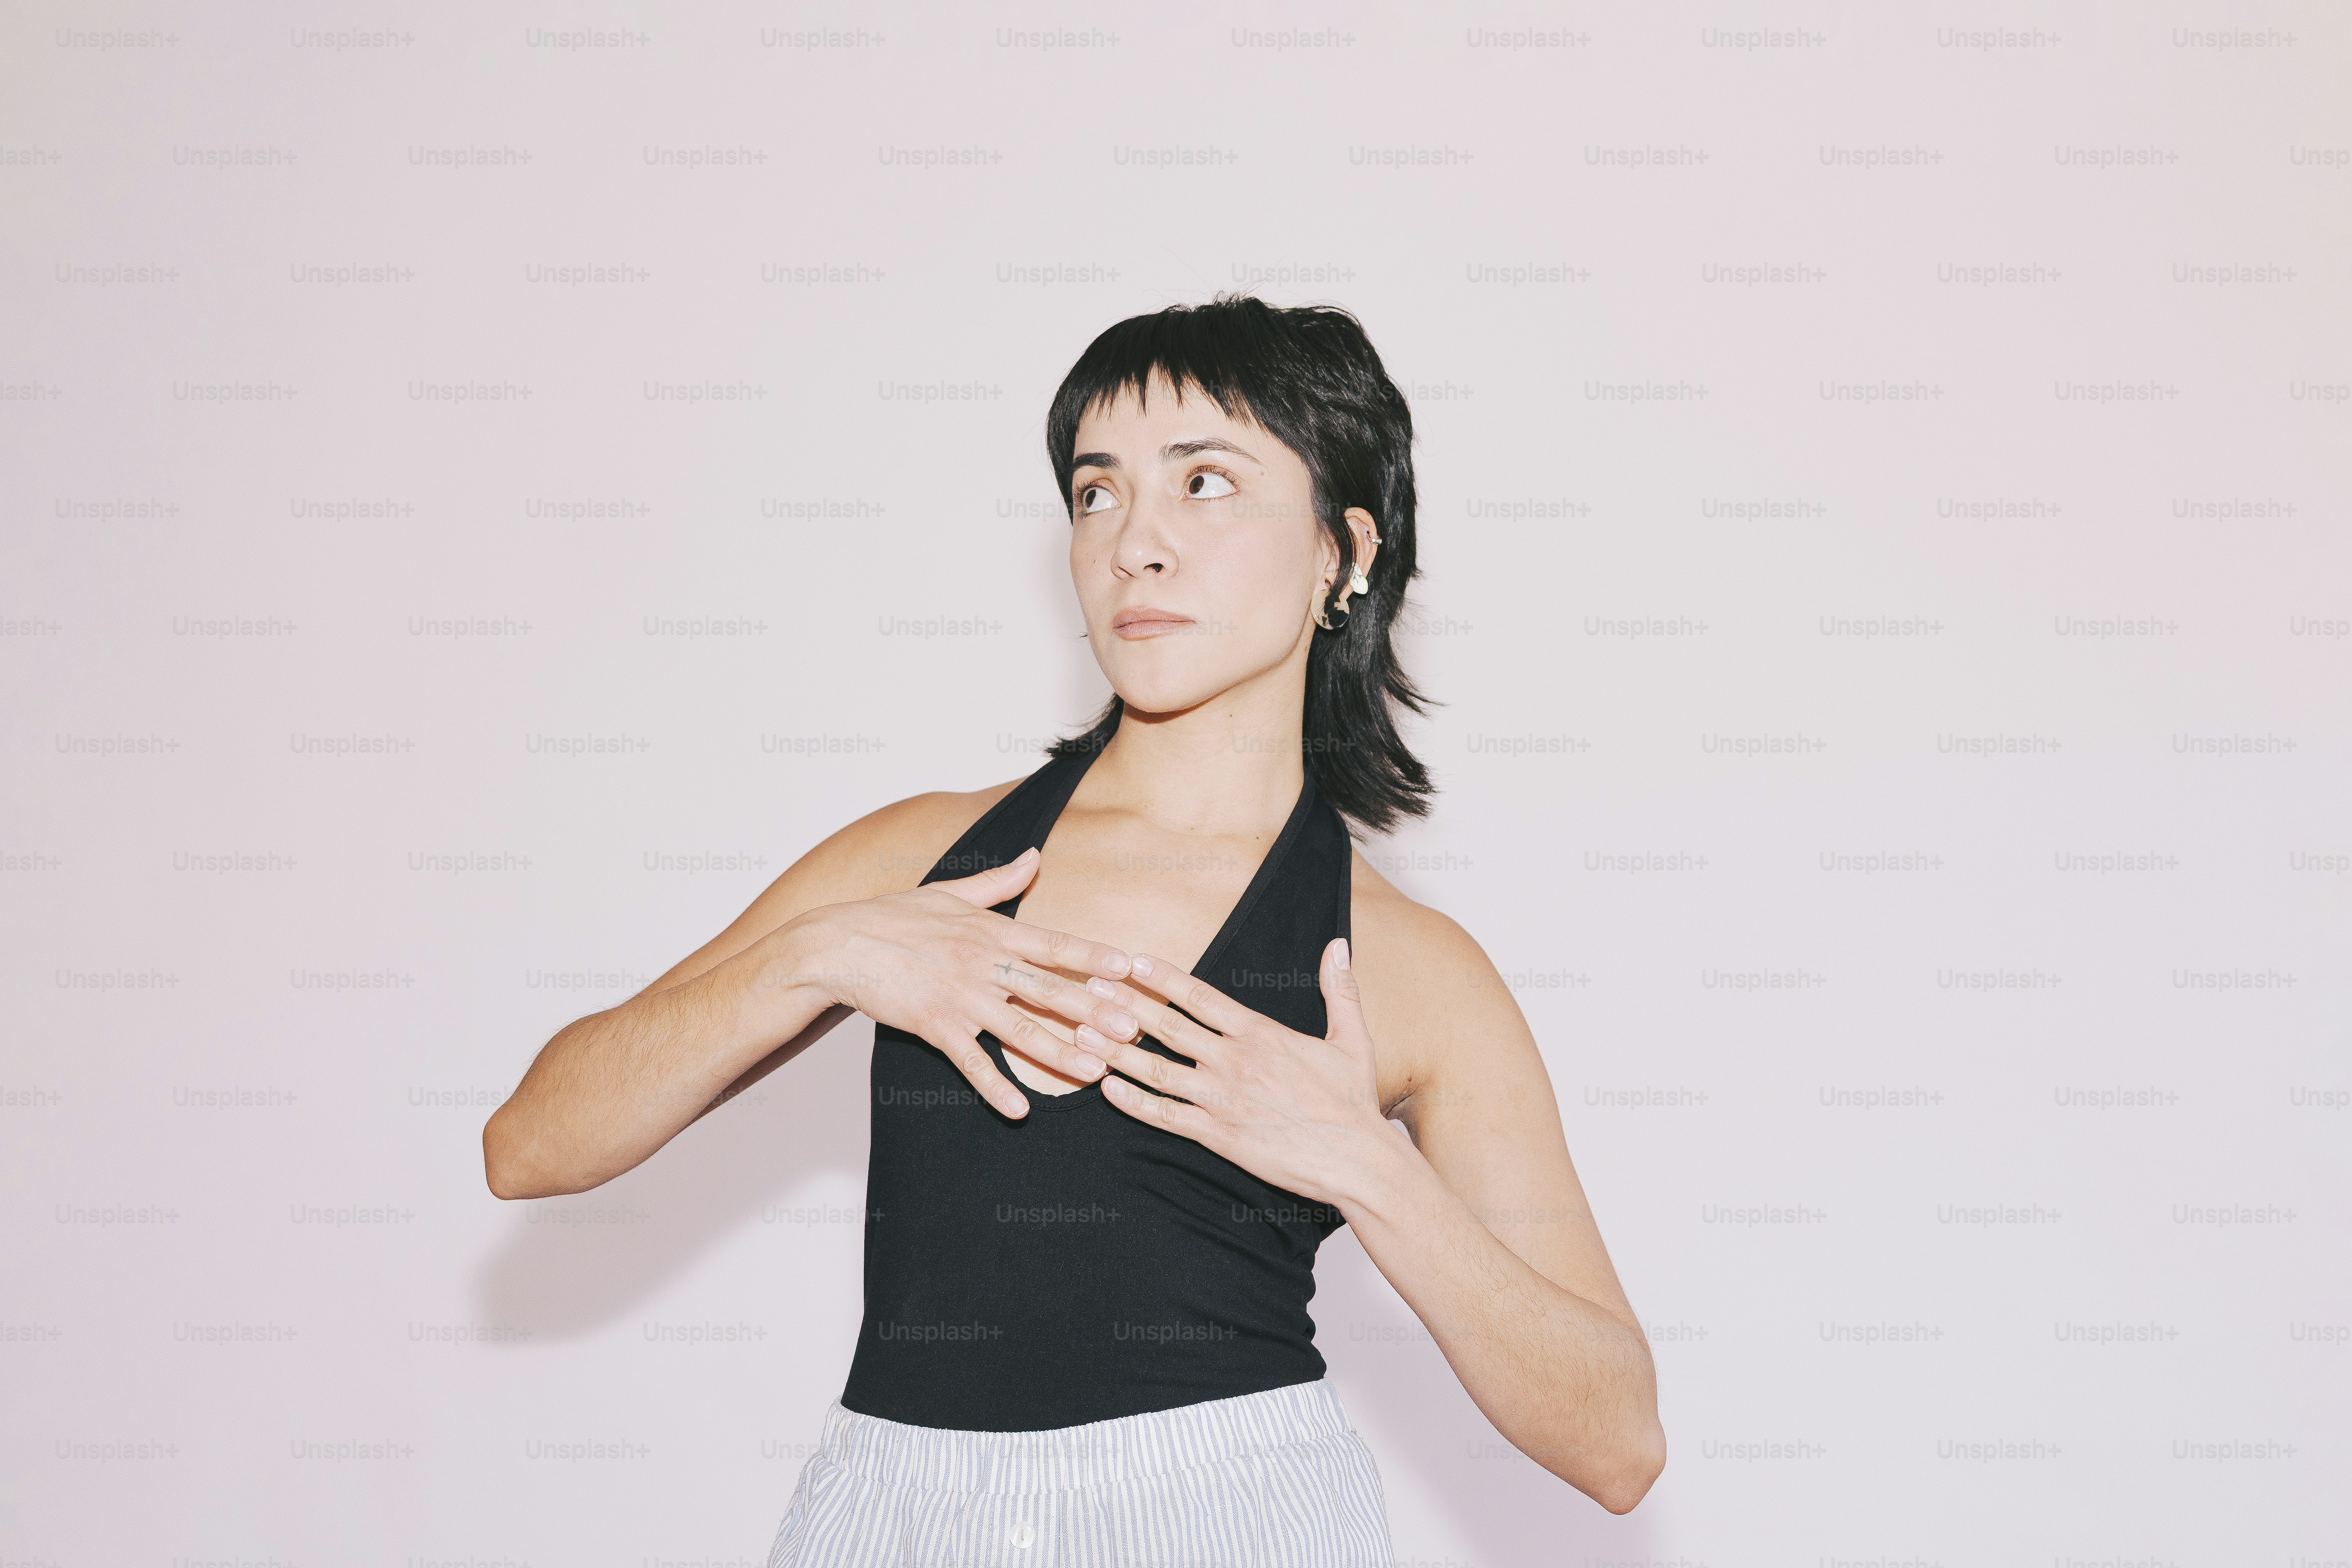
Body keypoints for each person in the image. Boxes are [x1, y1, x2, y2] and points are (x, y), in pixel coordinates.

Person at [482, 294, 1666, 1564]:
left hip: (1230, 1518)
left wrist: (1362, 1167)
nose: (1133, 545)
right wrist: (820, 951)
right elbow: (531, 1145)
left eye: (1204, 482)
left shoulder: (1404, 968)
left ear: (1341, 549)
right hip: (892, 1517)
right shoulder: (918, 857)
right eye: (1097, 494)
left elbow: (1616, 1442)